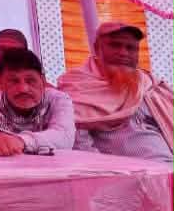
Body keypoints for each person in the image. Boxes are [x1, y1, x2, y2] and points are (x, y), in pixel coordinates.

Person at [59, 22, 174, 164]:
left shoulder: (149, 85)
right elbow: (80, 144)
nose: (123, 53)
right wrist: (110, 171)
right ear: (97, 48)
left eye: (131, 48)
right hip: (126, 173)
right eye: (115, 45)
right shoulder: (78, 86)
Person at [0, 49, 75, 156]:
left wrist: (22, 141)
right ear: (1, 84)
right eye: (13, 81)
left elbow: (64, 137)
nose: (23, 89)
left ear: (42, 81)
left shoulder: (57, 100)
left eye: (31, 81)